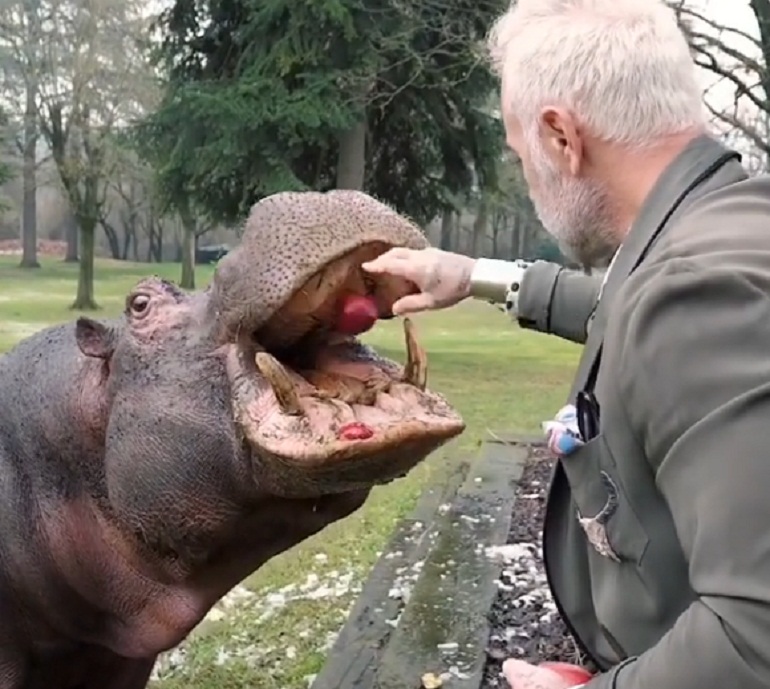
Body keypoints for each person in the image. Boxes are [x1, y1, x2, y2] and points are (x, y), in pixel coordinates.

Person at [362, 0, 770, 688]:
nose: (527, 178)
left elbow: (756, 639)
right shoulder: (726, 224)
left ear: (560, 138)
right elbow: (622, 309)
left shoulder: (697, 295)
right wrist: (471, 275)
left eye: (521, 157)